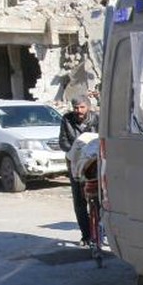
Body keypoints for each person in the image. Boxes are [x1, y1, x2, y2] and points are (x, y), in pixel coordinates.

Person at [58, 96, 99, 245]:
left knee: (99, 199)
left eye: (82, 107)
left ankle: (99, 231)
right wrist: (76, 152)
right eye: (76, 107)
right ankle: (86, 236)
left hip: (94, 166)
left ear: (88, 107)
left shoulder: (96, 119)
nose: (79, 111)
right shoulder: (67, 120)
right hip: (75, 165)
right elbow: (63, 142)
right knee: (80, 202)